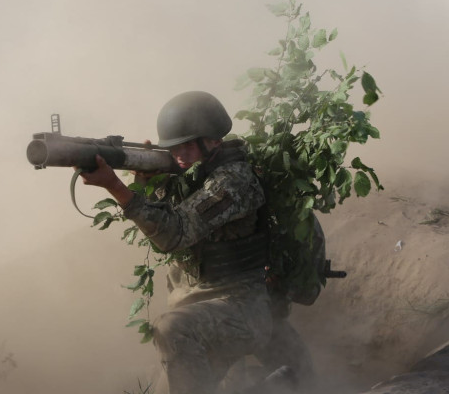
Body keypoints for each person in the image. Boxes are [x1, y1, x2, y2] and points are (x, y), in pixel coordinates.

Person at [79, 91, 303, 394]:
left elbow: (173, 233)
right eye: (173, 147)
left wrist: (115, 186)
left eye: (188, 145)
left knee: (172, 329)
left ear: (213, 141)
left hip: (240, 310)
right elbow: (156, 215)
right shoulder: (189, 178)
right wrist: (144, 181)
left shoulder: (233, 181)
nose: (180, 154)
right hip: (196, 309)